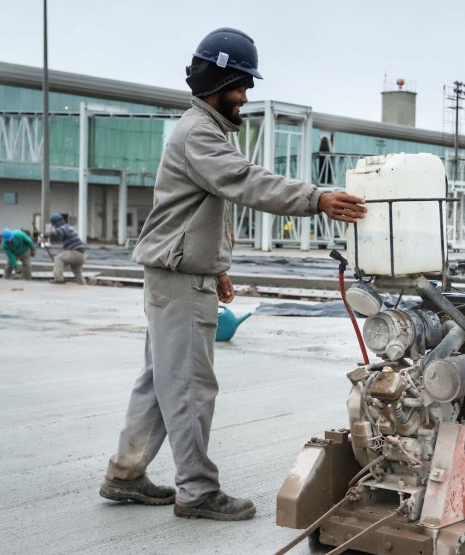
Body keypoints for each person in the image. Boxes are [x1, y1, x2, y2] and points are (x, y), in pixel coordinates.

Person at [100, 28, 367, 521]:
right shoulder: (199, 132)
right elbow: (244, 181)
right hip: (178, 282)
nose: (245, 97)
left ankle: (126, 473)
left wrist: (219, 268)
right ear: (216, 81)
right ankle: (197, 491)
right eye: (240, 86)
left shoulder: (204, 132)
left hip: (176, 275)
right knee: (189, 388)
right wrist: (317, 199)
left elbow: (203, 210)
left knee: (160, 382)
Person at [45, 214, 86, 285]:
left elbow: (57, 232)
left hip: (75, 253)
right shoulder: (69, 227)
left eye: (54, 225)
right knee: (77, 272)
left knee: (58, 258)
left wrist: (45, 235)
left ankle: (58, 279)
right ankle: (82, 284)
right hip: (81, 255)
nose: (55, 226)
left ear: (57, 222)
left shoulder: (65, 227)